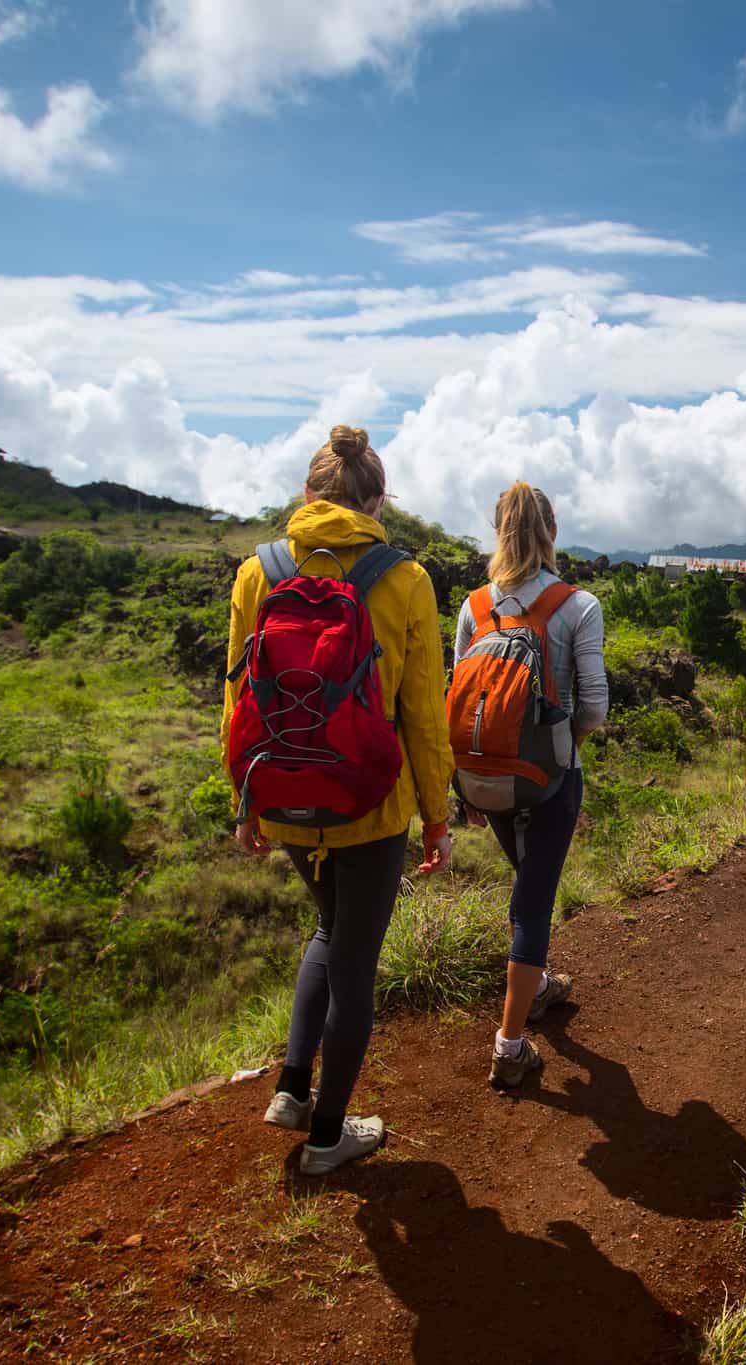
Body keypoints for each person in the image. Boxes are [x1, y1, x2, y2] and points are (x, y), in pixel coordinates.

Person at [224, 424, 455, 1176]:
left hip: (284, 793)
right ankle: (328, 1139)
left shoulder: (257, 572)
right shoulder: (406, 579)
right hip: (371, 804)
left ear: (307, 493)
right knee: (355, 960)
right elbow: (424, 714)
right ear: (378, 501)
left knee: (329, 928)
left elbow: (235, 699)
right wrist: (437, 817)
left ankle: (292, 1090)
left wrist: (245, 802)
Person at [454, 483, 608, 1090]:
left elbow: (458, 697)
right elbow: (593, 706)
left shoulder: (473, 607)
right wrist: (568, 744)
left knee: (526, 882)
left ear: (497, 532)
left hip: (486, 776)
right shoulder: (578, 606)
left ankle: (537, 984)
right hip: (551, 777)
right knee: (535, 899)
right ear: (553, 532)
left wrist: (464, 780)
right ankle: (510, 1044)